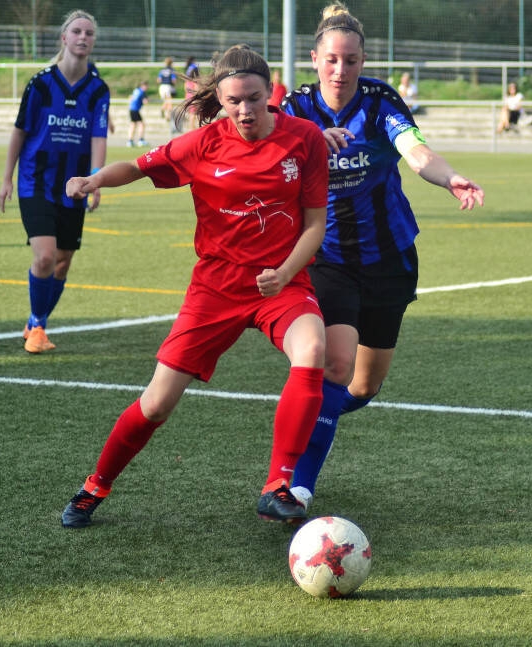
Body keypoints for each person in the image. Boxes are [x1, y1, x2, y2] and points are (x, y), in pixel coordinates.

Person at [60, 44, 330, 529]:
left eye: (254, 98)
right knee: (157, 402)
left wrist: (286, 273)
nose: (244, 110)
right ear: (220, 101)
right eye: (233, 101)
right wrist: (94, 179)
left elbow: (315, 224)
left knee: (312, 348)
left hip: (281, 282)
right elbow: (137, 168)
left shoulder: (304, 138)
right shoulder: (202, 143)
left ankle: (277, 486)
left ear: (271, 92)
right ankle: (94, 486)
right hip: (216, 286)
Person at [281, 2, 484, 511]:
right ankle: (297, 486)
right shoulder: (295, 107)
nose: (340, 70)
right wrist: (307, 139)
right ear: (314, 59)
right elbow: (269, 149)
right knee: (335, 364)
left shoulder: (381, 102)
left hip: (390, 255)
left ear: (363, 61)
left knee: (364, 385)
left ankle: (314, 417)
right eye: (331, 60)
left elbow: (415, 150)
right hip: (328, 255)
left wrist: (449, 177)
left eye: (351, 60)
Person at [0, 9, 110, 354]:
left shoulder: (98, 90)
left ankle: (36, 323)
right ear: (64, 38)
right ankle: (38, 326)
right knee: (45, 257)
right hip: (35, 181)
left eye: (89, 33)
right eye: (76, 31)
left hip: (73, 186)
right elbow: (20, 131)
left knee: (63, 261)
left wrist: (96, 180)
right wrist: (7, 178)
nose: (83, 37)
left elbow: (98, 136)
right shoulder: (40, 83)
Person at [127, 81, 149, 147]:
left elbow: (130, 97)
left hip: (131, 109)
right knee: (141, 124)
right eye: (146, 86)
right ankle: (141, 140)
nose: (147, 88)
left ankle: (130, 141)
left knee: (133, 125)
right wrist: (148, 99)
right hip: (135, 110)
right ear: (143, 86)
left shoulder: (136, 90)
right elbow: (145, 101)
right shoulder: (142, 92)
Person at [182, 56, 200, 130]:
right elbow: (196, 89)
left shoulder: (187, 81)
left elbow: (185, 88)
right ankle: (192, 129)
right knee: (193, 114)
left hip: (188, 96)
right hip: (193, 97)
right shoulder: (195, 81)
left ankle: (191, 128)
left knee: (191, 114)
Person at [157, 57, 177, 121]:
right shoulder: (172, 70)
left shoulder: (162, 70)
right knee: (170, 102)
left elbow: (158, 80)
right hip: (168, 87)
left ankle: (162, 109)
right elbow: (174, 80)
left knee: (166, 101)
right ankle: (168, 116)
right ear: (171, 63)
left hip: (162, 87)